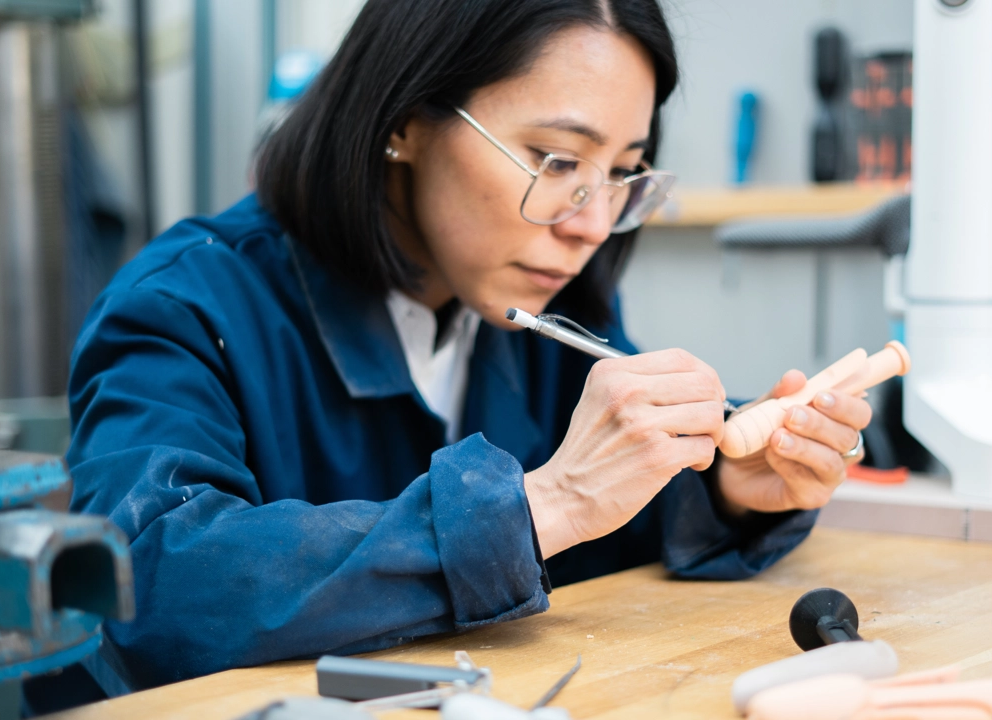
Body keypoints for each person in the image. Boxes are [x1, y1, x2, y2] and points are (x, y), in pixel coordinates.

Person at [66, 0, 872, 695]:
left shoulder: (545, 299)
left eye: (622, 172)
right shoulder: (181, 306)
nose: (589, 223)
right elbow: (146, 587)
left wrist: (725, 481)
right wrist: (543, 507)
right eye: (555, 159)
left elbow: (611, 527)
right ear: (405, 120)